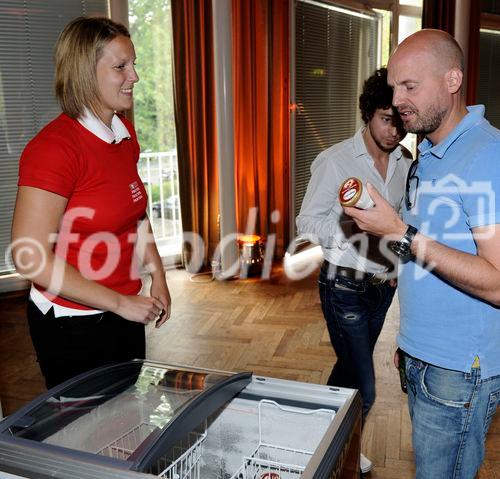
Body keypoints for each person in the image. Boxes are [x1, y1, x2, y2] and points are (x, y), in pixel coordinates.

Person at [344, 29, 500, 479]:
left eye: (410, 87)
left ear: (453, 80)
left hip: (459, 369)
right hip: (426, 356)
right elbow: (429, 256)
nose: (397, 100)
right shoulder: (429, 153)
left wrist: (399, 231)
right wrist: (410, 344)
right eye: (394, 87)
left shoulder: (486, 156)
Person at [11, 17, 171, 389]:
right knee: (84, 436)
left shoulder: (124, 132)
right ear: (84, 73)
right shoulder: (54, 150)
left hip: (125, 308)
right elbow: (28, 256)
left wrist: (157, 274)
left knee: (126, 415)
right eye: (120, 67)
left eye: (134, 64)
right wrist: (118, 303)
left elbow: (135, 213)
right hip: (74, 323)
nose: (134, 76)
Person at [296, 68, 411, 473]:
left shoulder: (405, 160)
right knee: (365, 381)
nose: (394, 131)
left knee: (348, 366)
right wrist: (352, 233)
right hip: (343, 283)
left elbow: (396, 219)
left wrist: (394, 262)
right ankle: (340, 453)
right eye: (385, 118)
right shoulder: (336, 160)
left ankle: (322, 438)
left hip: (383, 286)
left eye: (399, 120)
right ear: (368, 113)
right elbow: (306, 222)